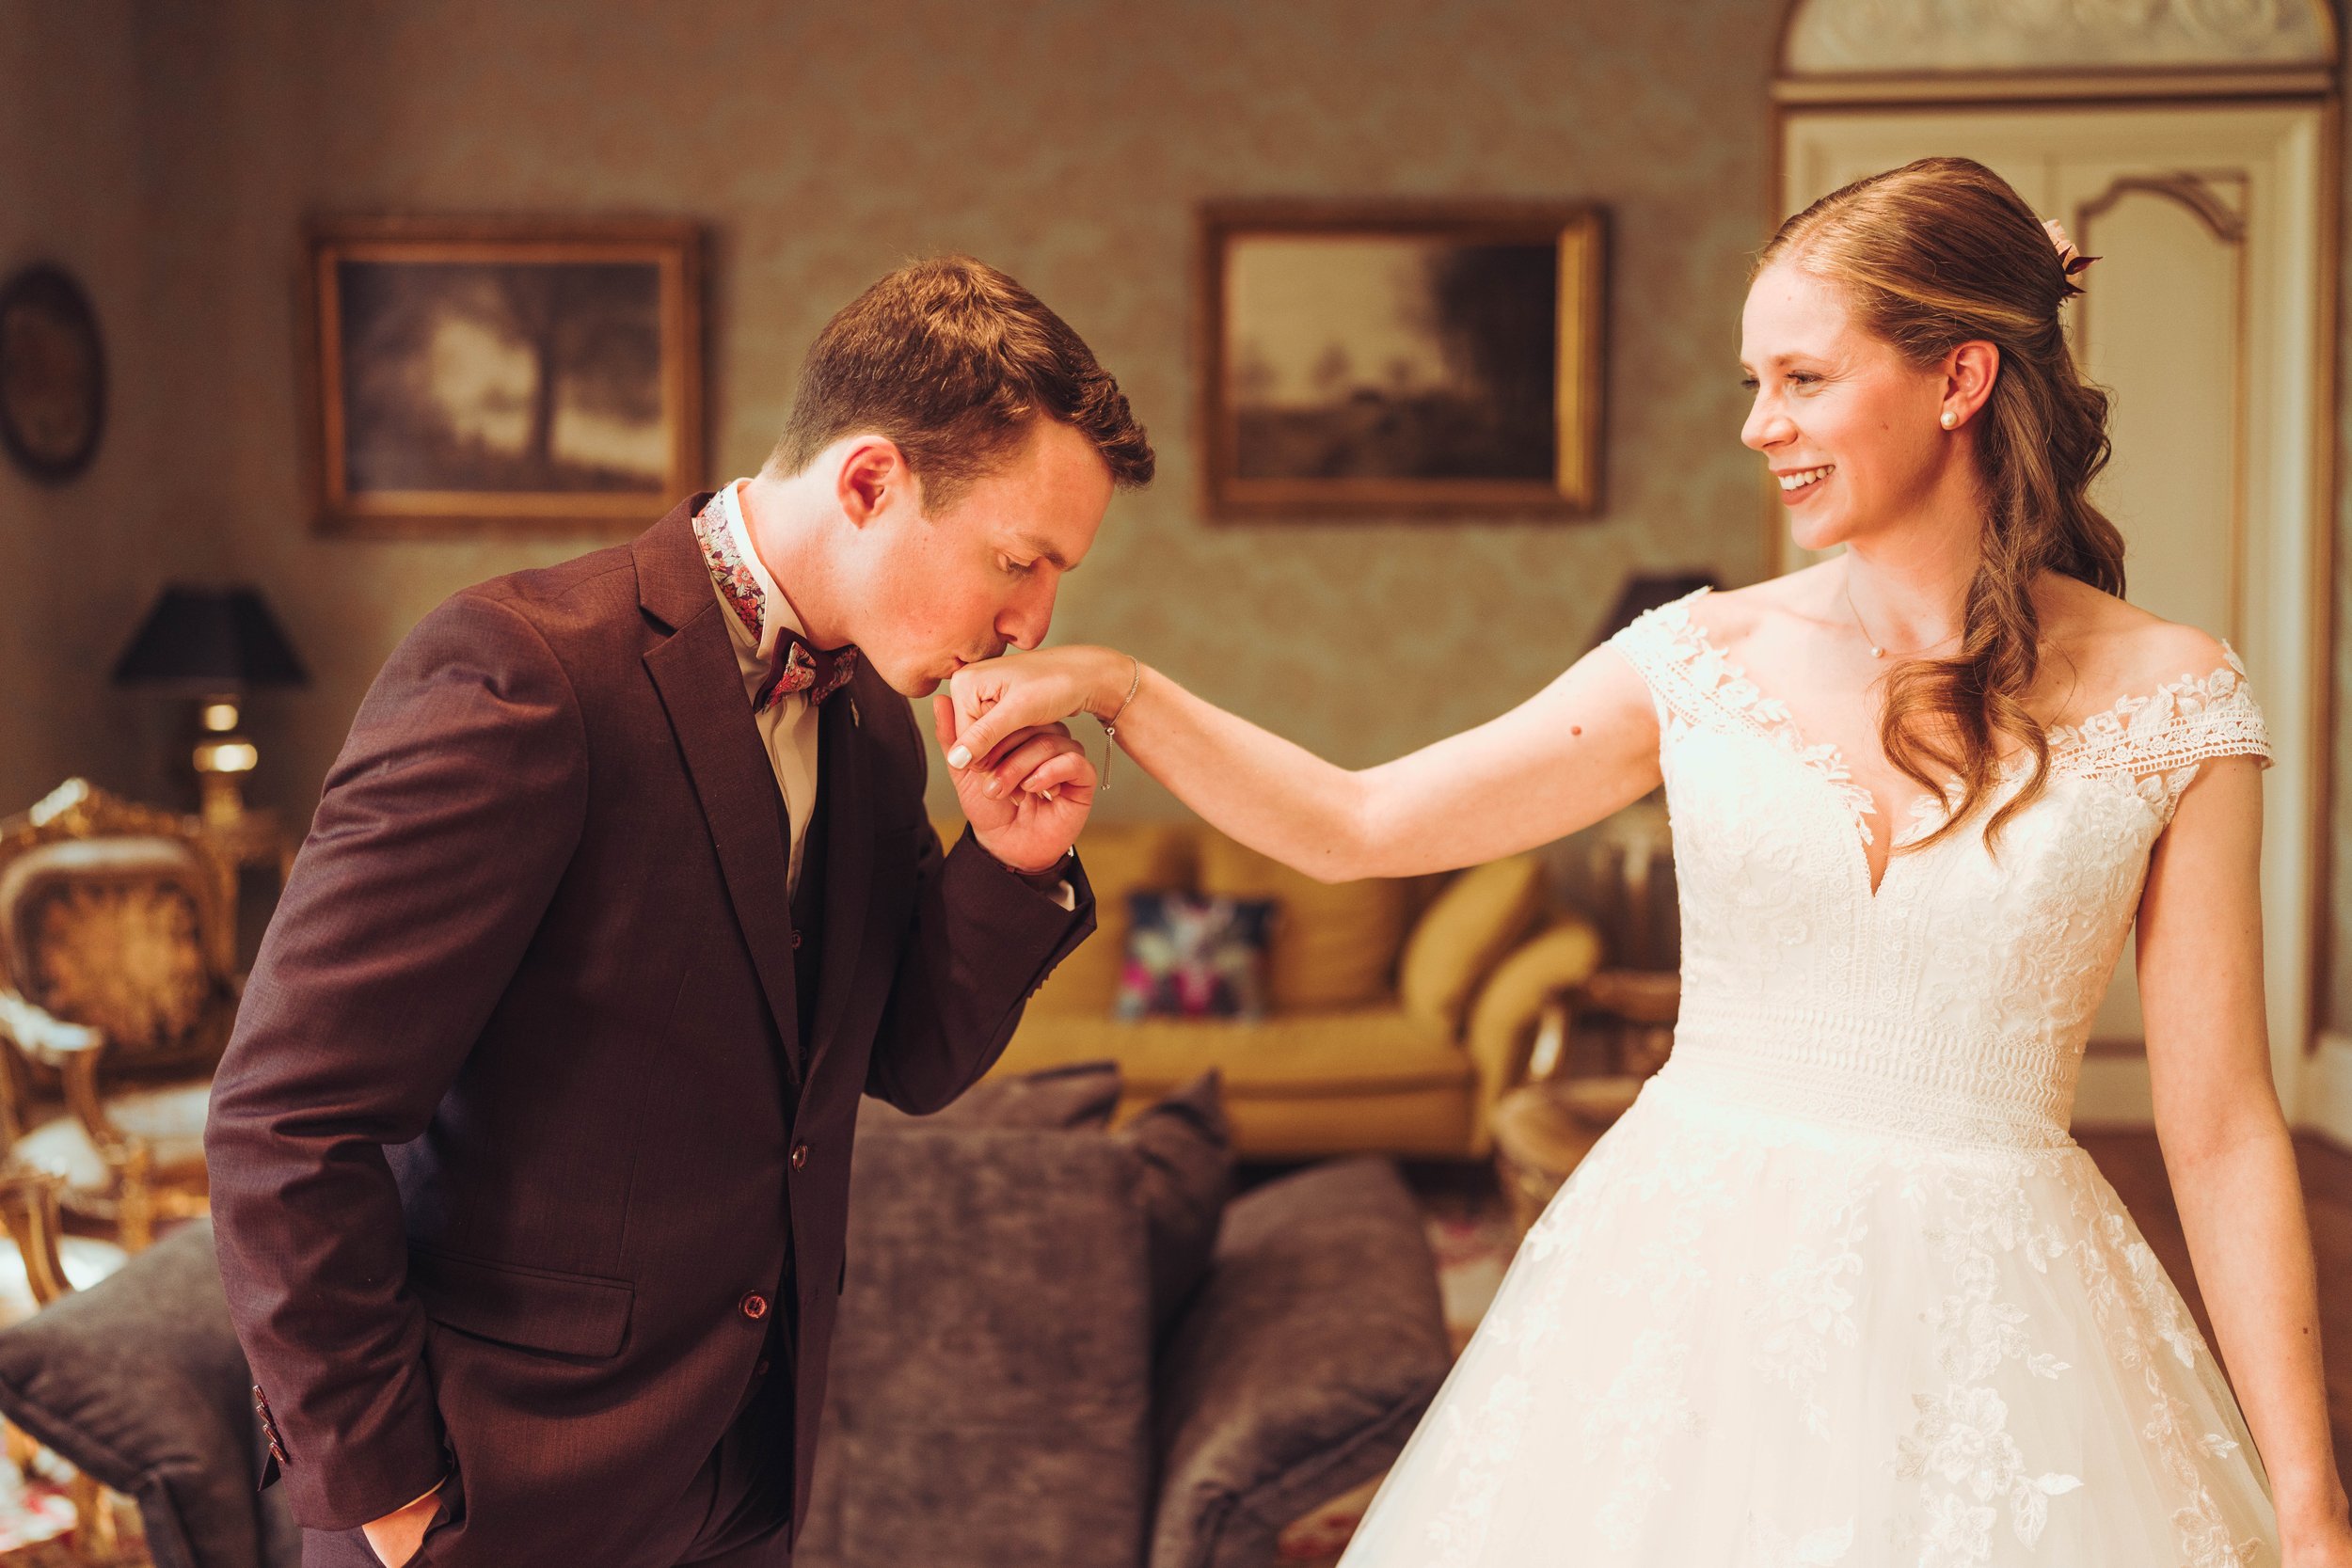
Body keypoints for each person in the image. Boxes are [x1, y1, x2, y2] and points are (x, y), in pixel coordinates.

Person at [940, 158, 2352, 1564]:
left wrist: (2312, 1507)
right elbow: (1361, 823)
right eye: (1755, 383)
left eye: (1801, 379)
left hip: (2003, 1331)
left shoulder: (2177, 699)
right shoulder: (1697, 660)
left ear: (1960, 379)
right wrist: (1123, 688)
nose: (1759, 426)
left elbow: (2223, 1130)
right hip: (1686, 1299)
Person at [204, 255, 1151, 1568]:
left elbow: (904, 1062)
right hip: (501, 1496)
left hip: (746, 1482)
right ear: (873, 481)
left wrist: (1004, 864)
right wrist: (390, 1497)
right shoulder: (527, 676)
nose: (1035, 620)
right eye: (1019, 559)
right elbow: (287, 1118)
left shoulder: (873, 724)